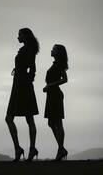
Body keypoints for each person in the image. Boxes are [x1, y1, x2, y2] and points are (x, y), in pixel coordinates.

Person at [5, 28, 39, 162]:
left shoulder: (28, 50)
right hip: (20, 84)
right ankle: (24, 149)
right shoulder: (27, 49)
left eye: (19, 34)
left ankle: (26, 149)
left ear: (25, 36)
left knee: (19, 118)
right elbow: (30, 68)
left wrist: (26, 80)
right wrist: (20, 72)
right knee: (23, 118)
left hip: (22, 85)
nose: (17, 37)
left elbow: (33, 68)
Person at [43, 44, 68, 161]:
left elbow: (65, 79)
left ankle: (61, 150)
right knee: (51, 123)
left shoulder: (59, 64)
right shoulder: (55, 64)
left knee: (58, 123)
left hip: (55, 95)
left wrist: (50, 85)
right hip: (51, 95)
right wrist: (48, 87)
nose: (51, 50)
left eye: (54, 49)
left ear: (58, 52)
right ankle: (61, 149)